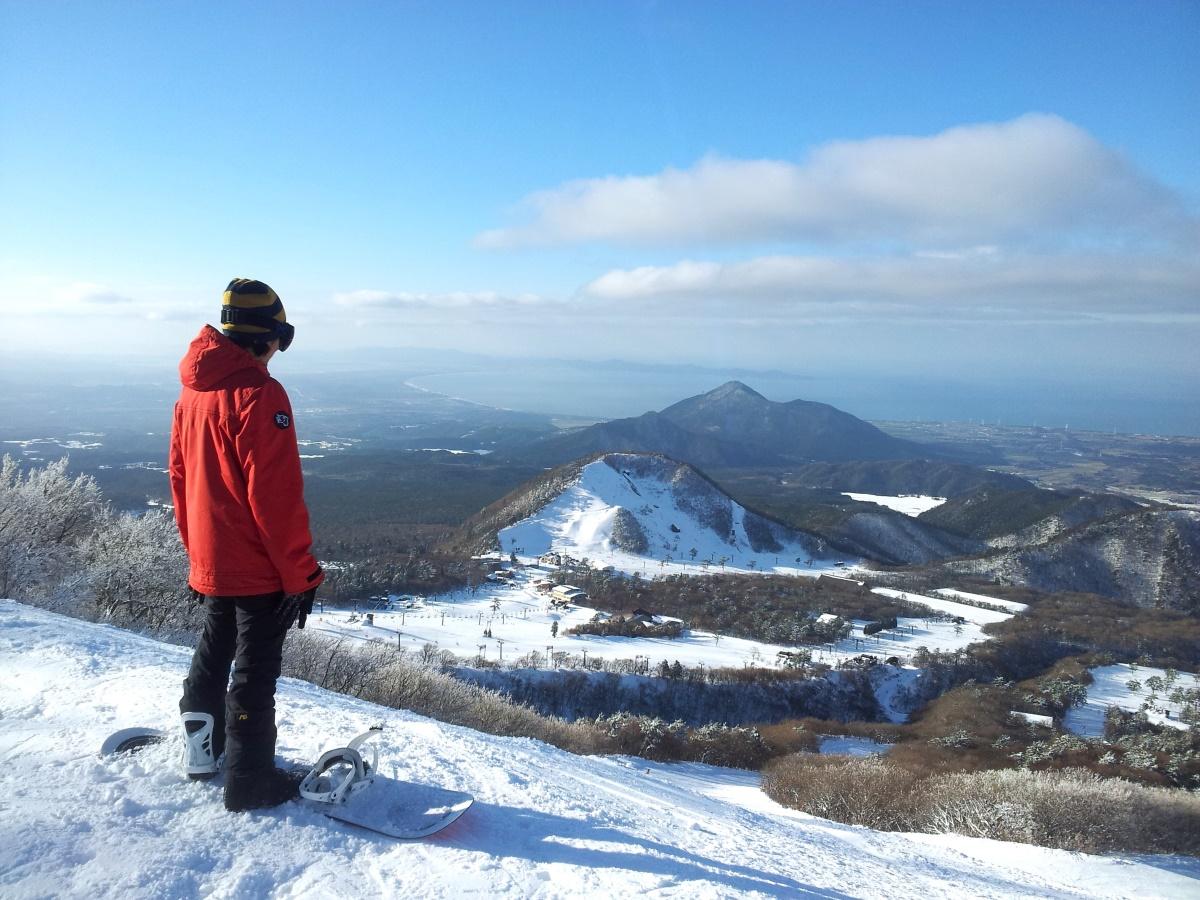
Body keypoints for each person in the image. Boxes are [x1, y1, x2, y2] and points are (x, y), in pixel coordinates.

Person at [168, 278, 324, 812]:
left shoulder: (193, 392)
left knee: (214, 652)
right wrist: (301, 576)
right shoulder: (260, 394)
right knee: (255, 670)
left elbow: (180, 479)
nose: (282, 348)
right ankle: (250, 778)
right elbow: (275, 499)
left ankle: (201, 753)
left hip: (212, 555)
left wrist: (198, 558)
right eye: (283, 335)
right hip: (257, 564)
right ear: (266, 336)